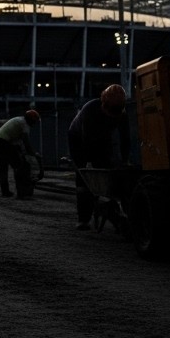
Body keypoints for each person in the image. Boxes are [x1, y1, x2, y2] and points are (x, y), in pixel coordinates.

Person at [69, 84, 130, 231]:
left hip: (103, 137)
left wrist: (124, 161)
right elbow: (87, 140)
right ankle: (83, 219)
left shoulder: (121, 113)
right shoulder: (90, 109)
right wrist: (88, 164)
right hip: (78, 139)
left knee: (107, 170)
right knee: (84, 178)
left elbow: (125, 139)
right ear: (104, 103)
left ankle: (110, 207)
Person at [0, 109, 40, 199]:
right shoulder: (24, 124)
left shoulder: (18, 120)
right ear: (31, 120)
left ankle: (5, 192)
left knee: (3, 168)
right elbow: (26, 143)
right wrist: (34, 154)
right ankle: (21, 192)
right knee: (19, 166)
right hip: (3, 142)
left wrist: (22, 152)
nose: (34, 124)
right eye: (34, 121)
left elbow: (17, 143)